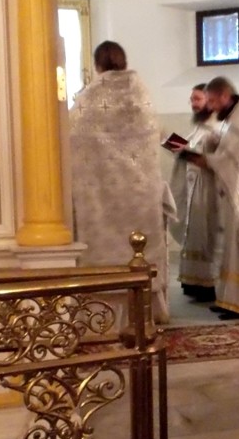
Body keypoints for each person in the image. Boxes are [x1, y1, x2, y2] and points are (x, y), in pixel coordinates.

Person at [69, 40, 170, 323]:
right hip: (140, 193)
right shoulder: (140, 94)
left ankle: (102, 318)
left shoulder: (87, 100)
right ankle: (149, 313)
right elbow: (160, 132)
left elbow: (71, 136)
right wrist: (187, 148)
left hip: (100, 197)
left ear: (97, 64)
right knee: (141, 249)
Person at [183, 77, 239, 319]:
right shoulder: (235, 117)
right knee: (229, 250)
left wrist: (196, 157)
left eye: (213, 101)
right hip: (232, 193)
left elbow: (227, 160)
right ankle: (229, 299)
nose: (212, 107)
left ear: (225, 96)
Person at [169, 83, 219, 303]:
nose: (193, 104)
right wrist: (173, 144)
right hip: (193, 190)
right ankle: (194, 283)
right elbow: (190, 149)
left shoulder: (218, 128)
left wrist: (185, 152)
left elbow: (216, 161)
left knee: (205, 237)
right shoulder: (199, 128)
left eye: (197, 99)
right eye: (192, 100)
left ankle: (209, 285)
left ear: (209, 100)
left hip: (208, 192)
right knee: (194, 235)